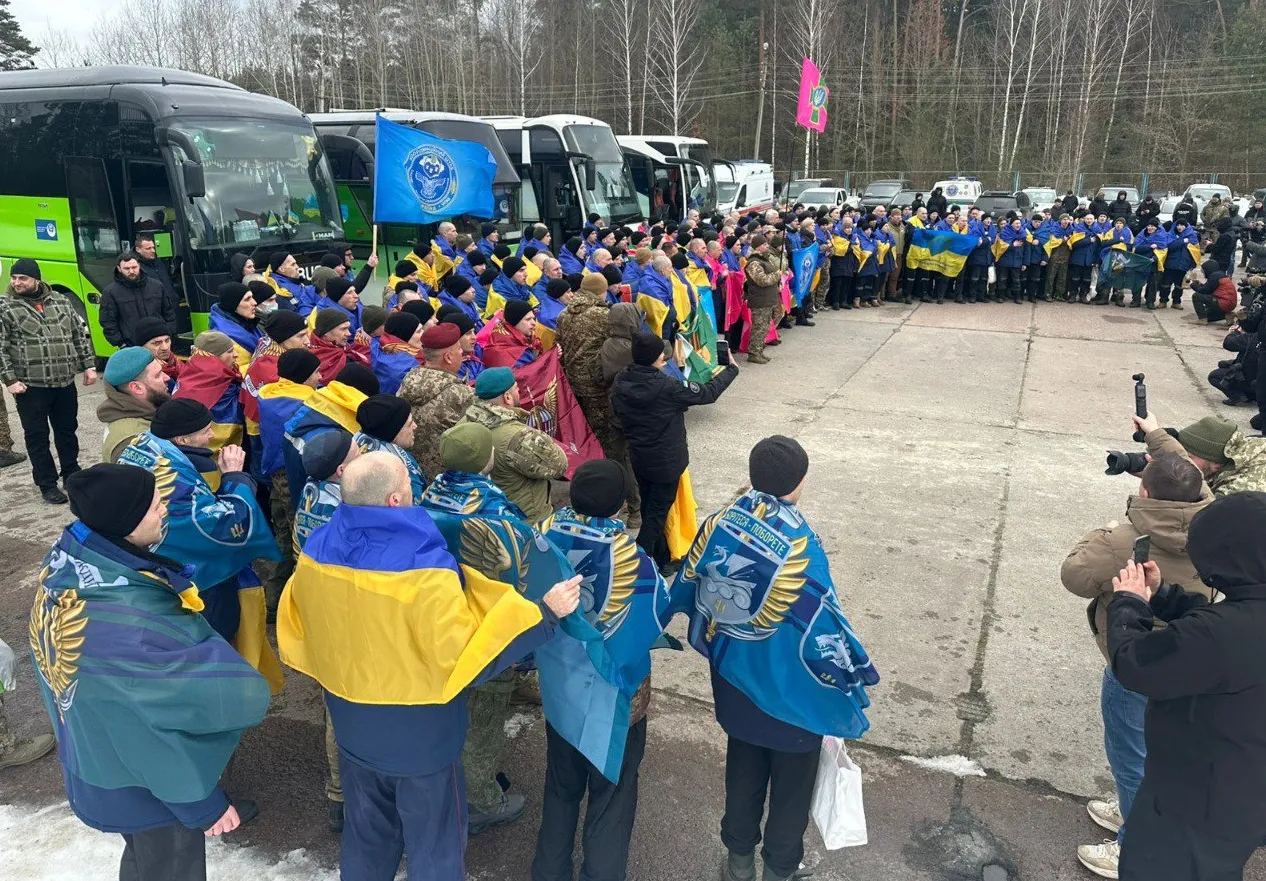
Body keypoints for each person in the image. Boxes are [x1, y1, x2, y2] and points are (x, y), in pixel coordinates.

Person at [277, 450, 582, 881]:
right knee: (435, 850)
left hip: (351, 727)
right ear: (396, 502)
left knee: (367, 838)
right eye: (409, 486)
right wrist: (543, 615)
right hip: (420, 743)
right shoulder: (425, 568)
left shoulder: (316, 550)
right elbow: (464, 656)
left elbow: (302, 621)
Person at [32, 463, 269, 881]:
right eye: (155, 503)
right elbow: (143, 733)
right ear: (126, 521)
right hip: (150, 792)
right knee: (170, 865)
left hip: (103, 763)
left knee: (145, 860)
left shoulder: (70, 572)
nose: (165, 509)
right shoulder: (128, 626)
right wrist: (203, 805)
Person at [679, 436, 878, 881]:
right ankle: (779, 871)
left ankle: (738, 865)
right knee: (791, 794)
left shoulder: (720, 523)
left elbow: (691, 584)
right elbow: (824, 627)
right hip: (794, 700)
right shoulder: (801, 547)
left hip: (736, 684)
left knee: (743, 773)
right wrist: (851, 681)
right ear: (800, 483)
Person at [1060, 453, 1211, 878]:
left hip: (1138, 659)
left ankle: (1135, 847)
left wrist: (1105, 532)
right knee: (1167, 750)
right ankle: (1136, 812)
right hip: (1195, 657)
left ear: (1144, 493)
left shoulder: (1123, 541)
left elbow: (1074, 576)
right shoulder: (1214, 524)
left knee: (1131, 756)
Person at [419, 422, 575, 834]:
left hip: (439, 618)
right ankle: (482, 800)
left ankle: (462, 779)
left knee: (451, 709)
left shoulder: (427, 494)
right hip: (489, 631)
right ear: (486, 459)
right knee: (485, 717)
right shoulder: (498, 514)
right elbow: (529, 574)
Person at [1106, 493, 1266, 881]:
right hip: (1247, 793)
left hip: (1195, 804)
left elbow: (1136, 664)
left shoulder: (1219, 634)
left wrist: (1129, 604)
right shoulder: (1236, 623)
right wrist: (1164, 596)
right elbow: (1228, 628)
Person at [530, 459, 670, 881]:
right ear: (620, 506)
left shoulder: (544, 537)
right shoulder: (633, 558)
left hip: (558, 688)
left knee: (560, 786)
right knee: (612, 793)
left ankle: (549, 872)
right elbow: (655, 614)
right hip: (614, 699)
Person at [611, 331, 738, 572]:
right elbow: (707, 393)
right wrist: (731, 370)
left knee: (651, 508)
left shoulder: (622, 380)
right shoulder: (666, 386)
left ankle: (661, 559)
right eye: (660, 353)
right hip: (665, 462)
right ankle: (637, 565)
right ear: (653, 358)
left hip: (640, 456)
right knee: (656, 516)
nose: (664, 357)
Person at [0, 257, 97, 504]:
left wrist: (88, 366)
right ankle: (47, 484)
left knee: (67, 431)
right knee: (37, 437)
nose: (17, 282)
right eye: (14, 278)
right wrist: (9, 380)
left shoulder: (61, 301)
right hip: (31, 387)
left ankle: (72, 475)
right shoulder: (5, 307)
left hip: (64, 382)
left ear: (37, 279)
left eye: (23, 278)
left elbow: (78, 335)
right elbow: (1, 348)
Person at [258, 348, 321, 610]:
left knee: (281, 533)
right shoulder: (305, 404)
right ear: (303, 376)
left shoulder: (270, 395)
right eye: (316, 372)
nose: (321, 376)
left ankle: (272, 598)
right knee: (293, 539)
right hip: (293, 478)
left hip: (275, 475)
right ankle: (282, 602)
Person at [463, 367, 568, 522]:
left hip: (483, 515)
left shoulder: (462, 424)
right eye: (516, 390)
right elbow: (559, 465)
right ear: (507, 397)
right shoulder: (518, 436)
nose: (519, 393)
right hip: (526, 521)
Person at [399, 322, 475, 479]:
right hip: (448, 480)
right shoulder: (461, 394)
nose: (462, 352)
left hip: (411, 475)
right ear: (448, 357)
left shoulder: (408, 381)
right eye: (459, 349)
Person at [171, 331, 246, 454]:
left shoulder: (189, 374)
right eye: (229, 351)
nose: (236, 355)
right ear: (213, 358)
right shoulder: (220, 384)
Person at [98, 346, 170, 463]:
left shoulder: (134, 414)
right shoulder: (134, 442)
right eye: (157, 375)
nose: (167, 377)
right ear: (136, 387)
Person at [355, 393, 426, 500]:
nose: (415, 427)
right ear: (393, 432)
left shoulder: (356, 442)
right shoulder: (401, 475)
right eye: (410, 424)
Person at [99, 250, 175, 348]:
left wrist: (169, 333)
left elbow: (169, 312)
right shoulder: (110, 292)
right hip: (131, 346)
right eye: (126, 268)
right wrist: (121, 344)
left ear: (139, 266)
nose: (131, 271)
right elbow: (108, 321)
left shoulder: (157, 286)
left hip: (159, 343)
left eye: (134, 267)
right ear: (119, 268)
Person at [207, 282, 262, 374]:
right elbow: (236, 372)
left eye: (252, 297)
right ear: (233, 305)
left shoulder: (247, 323)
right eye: (247, 299)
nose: (254, 302)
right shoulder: (225, 336)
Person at [742, 235, 780, 364]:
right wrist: (777, 275)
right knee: (759, 327)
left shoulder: (763, 259)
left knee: (764, 327)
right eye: (764, 245)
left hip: (767, 298)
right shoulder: (754, 262)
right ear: (757, 247)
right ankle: (753, 352)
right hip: (759, 299)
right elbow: (762, 280)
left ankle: (759, 350)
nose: (767, 246)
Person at [483, 300, 543, 369]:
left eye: (533, 318)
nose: (534, 323)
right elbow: (531, 374)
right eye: (528, 319)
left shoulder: (529, 339)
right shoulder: (504, 352)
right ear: (515, 322)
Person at [132, 315, 183, 390]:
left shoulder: (175, 362)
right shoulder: (141, 376)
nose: (165, 347)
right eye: (157, 343)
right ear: (142, 347)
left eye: (167, 340)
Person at [268, 251, 319, 316]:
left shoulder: (290, 282)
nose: (297, 267)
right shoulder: (282, 289)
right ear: (281, 269)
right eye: (293, 264)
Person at [1191, 260, 1237, 324]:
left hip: (1223, 302)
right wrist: (1200, 284)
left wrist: (1194, 286)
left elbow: (1205, 291)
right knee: (1207, 315)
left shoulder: (1214, 276)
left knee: (1196, 296)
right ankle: (1227, 315)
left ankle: (1202, 320)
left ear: (1208, 269)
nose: (1203, 273)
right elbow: (1209, 288)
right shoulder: (1219, 274)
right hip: (1229, 303)